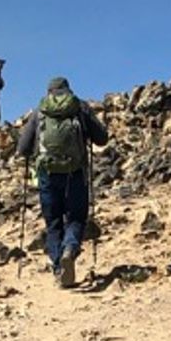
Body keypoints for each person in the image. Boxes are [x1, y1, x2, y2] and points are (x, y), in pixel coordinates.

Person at [15, 76, 109, 289]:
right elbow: (102, 138)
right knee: (76, 217)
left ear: (49, 92)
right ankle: (70, 248)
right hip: (75, 173)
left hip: (47, 174)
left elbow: (22, 148)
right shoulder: (79, 107)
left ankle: (59, 268)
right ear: (67, 89)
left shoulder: (40, 112)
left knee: (53, 223)